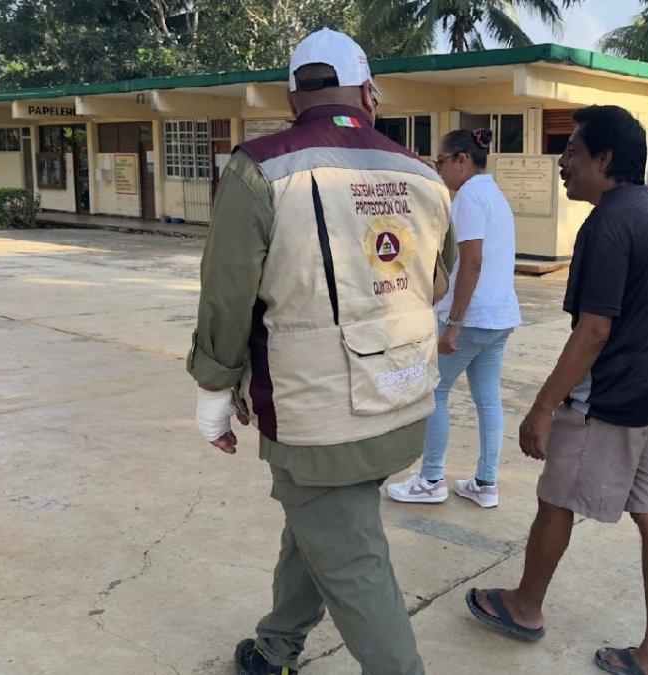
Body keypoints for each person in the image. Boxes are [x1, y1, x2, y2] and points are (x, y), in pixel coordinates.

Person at [187, 28, 455, 675]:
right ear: (369, 93)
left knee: (356, 562)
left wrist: (212, 393)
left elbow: (228, 293)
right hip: (400, 395)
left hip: (316, 414)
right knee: (318, 524)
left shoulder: (260, 166)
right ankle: (277, 645)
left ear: (289, 97)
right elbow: (437, 279)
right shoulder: (419, 171)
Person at [464, 106, 648, 675]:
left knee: (555, 499)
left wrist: (542, 408)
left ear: (605, 159)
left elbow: (593, 331)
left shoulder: (608, 223)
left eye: (572, 151)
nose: (563, 164)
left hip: (610, 402)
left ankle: (525, 606)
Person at [386, 128, 522, 508]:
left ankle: (431, 479)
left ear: (463, 160)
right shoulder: (494, 195)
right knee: (488, 399)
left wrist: (456, 322)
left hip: (473, 316)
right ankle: (485, 483)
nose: (439, 169)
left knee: (434, 392)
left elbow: (472, 264)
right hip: (500, 316)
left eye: (441, 161)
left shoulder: (469, 198)